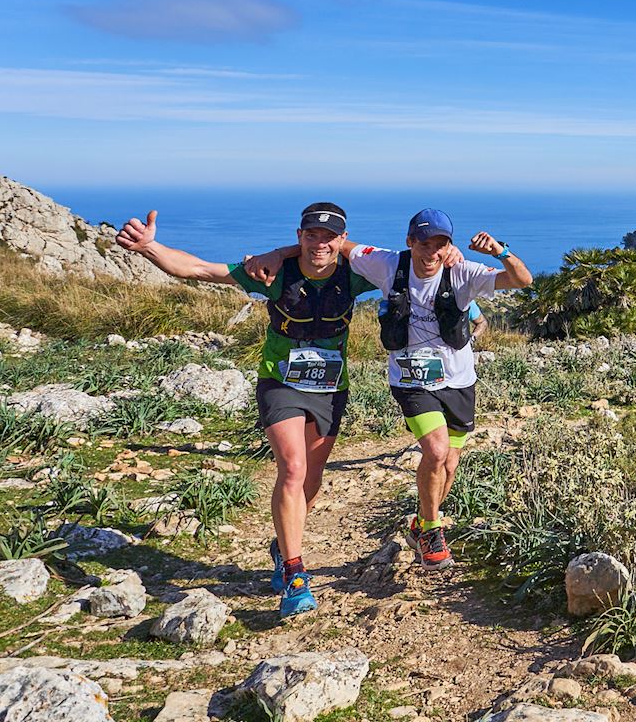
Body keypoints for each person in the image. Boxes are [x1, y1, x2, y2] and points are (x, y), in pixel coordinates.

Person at [115, 203, 460, 615]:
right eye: (310, 235)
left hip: (331, 389)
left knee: (310, 480)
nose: (320, 243)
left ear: (341, 241)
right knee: (293, 469)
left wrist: (453, 258)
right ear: (300, 236)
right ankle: (296, 576)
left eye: (329, 237)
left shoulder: (354, 273)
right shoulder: (275, 273)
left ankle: (282, 545)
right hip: (280, 382)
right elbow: (200, 269)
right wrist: (151, 248)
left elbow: (413, 265)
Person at [245, 207, 531, 570]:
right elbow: (330, 245)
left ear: (449, 245)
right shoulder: (386, 264)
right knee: (437, 449)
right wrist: (276, 254)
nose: (431, 251)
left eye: (440, 243)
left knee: (449, 464)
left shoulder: (462, 272)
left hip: (459, 380)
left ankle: (421, 524)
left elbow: (522, 280)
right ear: (409, 242)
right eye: (424, 242)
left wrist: (499, 252)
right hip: (411, 380)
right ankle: (430, 530)